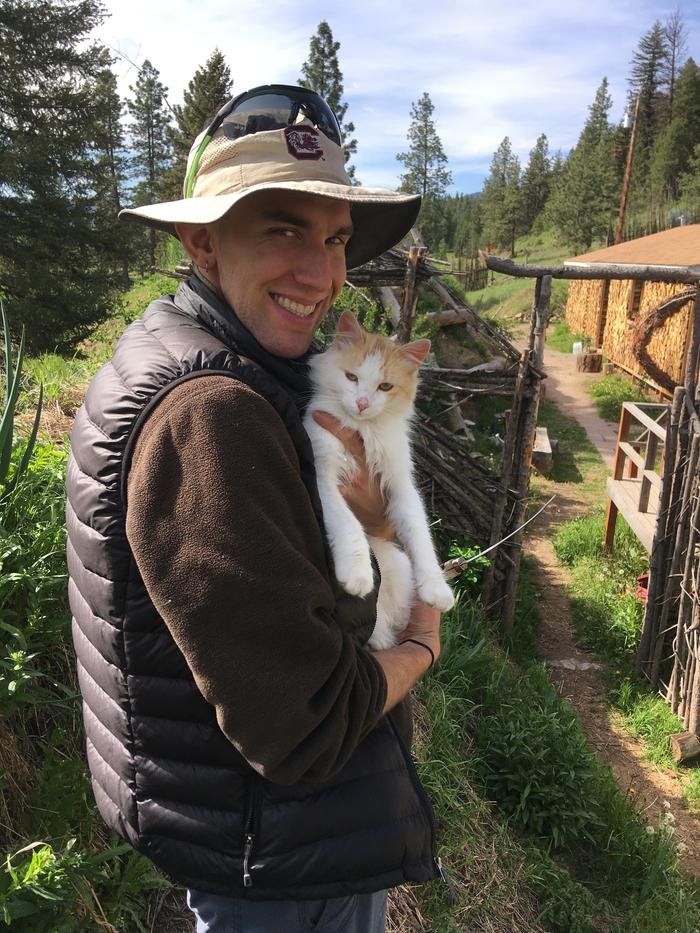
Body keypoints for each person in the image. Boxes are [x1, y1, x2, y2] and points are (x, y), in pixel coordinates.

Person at [66, 84, 444, 932]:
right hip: (280, 862)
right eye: (283, 229)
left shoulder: (194, 349)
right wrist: (421, 638)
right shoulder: (209, 413)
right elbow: (303, 727)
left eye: (336, 238)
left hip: (266, 838)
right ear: (203, 242)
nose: (322, 274)